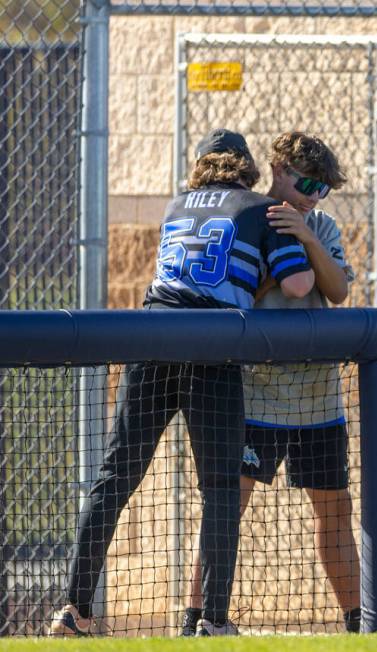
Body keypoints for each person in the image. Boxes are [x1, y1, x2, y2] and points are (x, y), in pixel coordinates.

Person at [49, 129, 315, 637]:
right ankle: (213, 619)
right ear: (248, 168)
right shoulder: (262, 210)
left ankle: (74, 610)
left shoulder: (175, 206)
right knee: (219, 490)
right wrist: (295, 235)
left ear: (200, 166)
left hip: (152, 338)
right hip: (213, 348)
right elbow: (300, 284)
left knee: (114, 480)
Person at [181, 132, 361, 635]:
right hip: (257, 393)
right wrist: (277, 258)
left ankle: (357, 622)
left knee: (334, 512)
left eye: (321, 188)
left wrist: (304, 234)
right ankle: (197, 615)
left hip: (317, 397)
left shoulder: (320, 223)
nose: (312, 195)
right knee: (226, 509)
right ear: (277, 169)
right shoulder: (246, 218)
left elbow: (338, 290)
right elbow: (246, 293)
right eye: (305, 183)